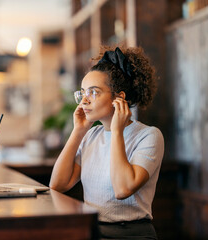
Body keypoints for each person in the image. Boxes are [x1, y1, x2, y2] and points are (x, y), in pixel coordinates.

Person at [49, 45, 164, 240]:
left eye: (93, 92)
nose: (84, 101)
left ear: (119, 98)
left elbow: (122, 189)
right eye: (83, 93)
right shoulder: (91, 135)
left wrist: (117, 132)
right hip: (93, 231)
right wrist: (78, 131)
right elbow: (58, 184)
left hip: (132, 235)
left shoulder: (149, 136)